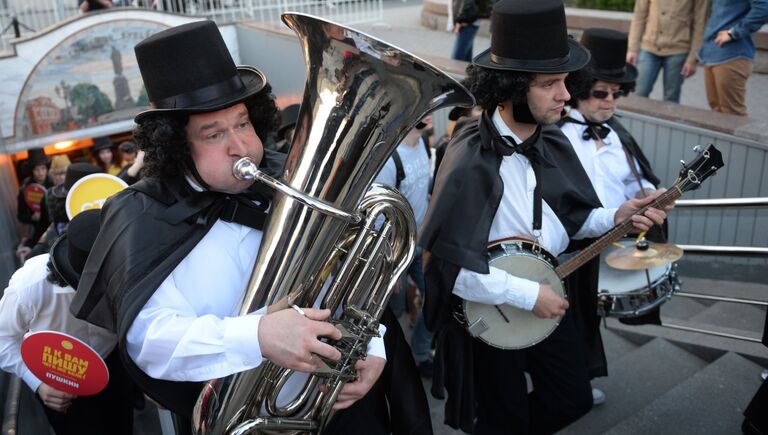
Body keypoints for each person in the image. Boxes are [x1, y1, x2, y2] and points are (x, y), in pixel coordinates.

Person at [70, 20, 432, 434]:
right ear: (176, 146)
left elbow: (356, 283)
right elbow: (149, 340)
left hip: (343, 406)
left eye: (243, 124)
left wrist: (375, 346)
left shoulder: (293, 178)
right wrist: (255, 336)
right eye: (214, 134)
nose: (241, 146)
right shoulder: (141, 213)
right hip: (246, 423)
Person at [419, 1, 670, 433]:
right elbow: (448, 269)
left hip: (550, 291)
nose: (566, 95)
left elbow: (571, 221)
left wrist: (616, 214)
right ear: (513, 87)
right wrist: (526, 295)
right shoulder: (468, 158)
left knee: (571, 398)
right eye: (550, 83)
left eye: (567, 81)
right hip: (494, 310)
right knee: (504, 414)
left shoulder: (552, 141)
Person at [559, 27, 665, 406]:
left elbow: (632, 180)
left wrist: (650, 195)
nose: (610, 103)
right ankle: (566, 387)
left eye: (617, 94)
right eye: (601, 93)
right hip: (570, 248)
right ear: (579, 87)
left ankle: (578, 382)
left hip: (612, 241)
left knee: (589, 321)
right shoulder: (556, 136)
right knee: (568, 322)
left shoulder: (615, 131)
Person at [0, 210, 135, 435]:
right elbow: (3, 341)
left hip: (114, 369)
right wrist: (38, 383)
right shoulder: (29, 285)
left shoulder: (128, 274)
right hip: (59, 380)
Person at [375, 115, 434, 377]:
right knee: (394, 311)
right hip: (398, 252)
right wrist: (389, 264)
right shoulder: (390, 159)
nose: (430, 112)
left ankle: (420, 354)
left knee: (433, 301)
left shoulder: (422, 141)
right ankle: (392, 366)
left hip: (423, 243)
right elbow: (379, 217)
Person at [626, 0, 707, 103]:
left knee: (671, 99)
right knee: (638, 93)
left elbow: (700, 24)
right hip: (649, 46)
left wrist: (692, 59)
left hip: (678, 50)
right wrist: (632, 47)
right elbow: (639, 14)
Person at [698, 0, 768, 116]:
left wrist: (733, 33)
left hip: (732, 55)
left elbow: (764, 8)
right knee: (716, 112)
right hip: (712, 54)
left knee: (732, 115)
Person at [16, 148, 52, 263]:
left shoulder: (54, 183)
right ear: (32, 170)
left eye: (43, 168)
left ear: (47, 168)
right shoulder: (25, 190)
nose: (41, 172)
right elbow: (20, 215)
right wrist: (32, 217)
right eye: (37, 169)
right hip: (38, 232)